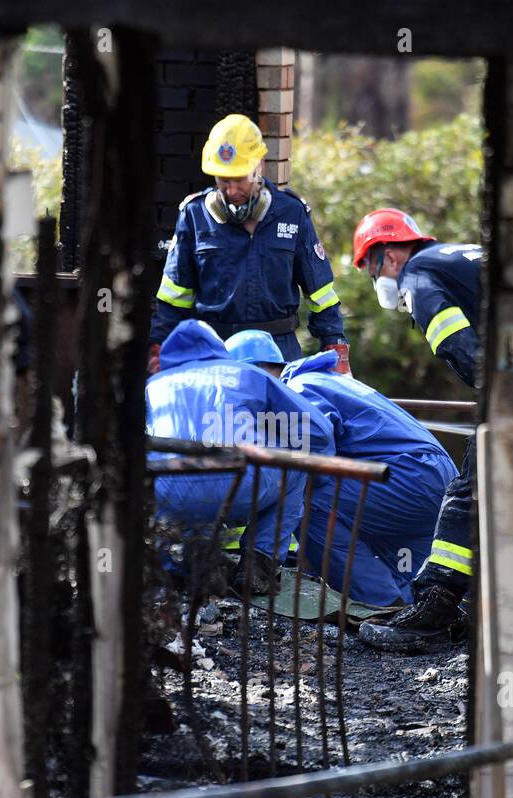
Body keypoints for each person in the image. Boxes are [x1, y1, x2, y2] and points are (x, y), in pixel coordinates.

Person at [226, 329, 457, 608]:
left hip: (406, 479)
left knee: (302, 492)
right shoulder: (323, 379)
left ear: (256, 374)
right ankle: (419, 610)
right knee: (412, 581)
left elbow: (314, 456)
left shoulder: (298, 390)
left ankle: (382, 604)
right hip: (434, 479)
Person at [347, 208, 483, 652]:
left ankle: (434, 611)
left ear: (388, 255)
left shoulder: (419, 274)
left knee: (467, 496)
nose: (374, 280)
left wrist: (500, 392)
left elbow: (456, 342)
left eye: (369, 268)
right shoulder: (456, 257)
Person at [149, 113, 351, 376]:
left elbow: (321, 295)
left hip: (278, 353)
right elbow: (173, 299)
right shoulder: (194, 216)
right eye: (223, 180)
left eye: (239, 179)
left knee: (276, 419)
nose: (232, 190)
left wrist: (336, 348)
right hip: (214, 353)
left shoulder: (292, 213)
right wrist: (157, 349)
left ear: (259, 166)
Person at [147, 320, 333, 595]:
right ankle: (258, 565)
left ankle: (194, 563)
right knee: (295, 462)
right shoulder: (246, 374)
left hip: (169, 489)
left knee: (169, 484)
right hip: (240, 482)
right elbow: (318, 430)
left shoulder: (153, 385)